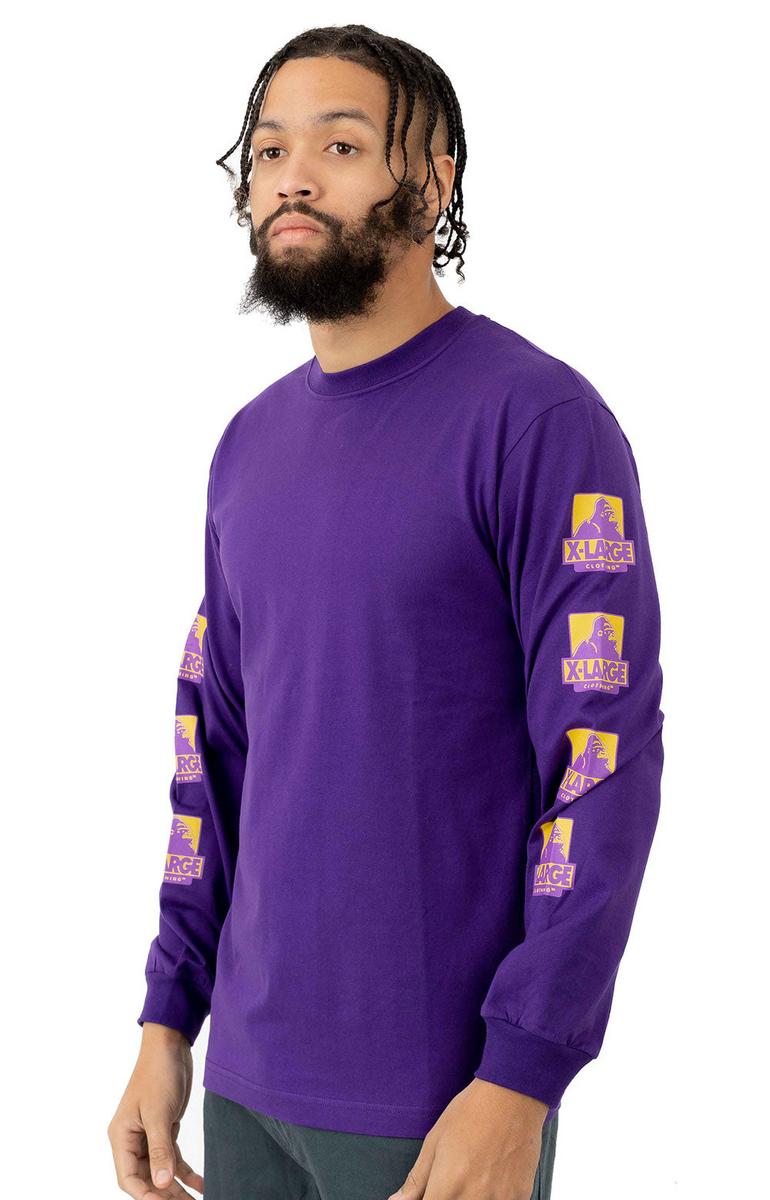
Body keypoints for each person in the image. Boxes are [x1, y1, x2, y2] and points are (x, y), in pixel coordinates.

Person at [107, 23, 665, 1200]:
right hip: (244, 1085)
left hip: (434, 1100)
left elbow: (599, 760)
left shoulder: (537, 421)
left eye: (341, 145)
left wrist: (522, 1075)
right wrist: (167, 1020)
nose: (292, 178)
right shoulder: (248, 445)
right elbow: (213, 752)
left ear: (433, 179)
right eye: (268, 151)